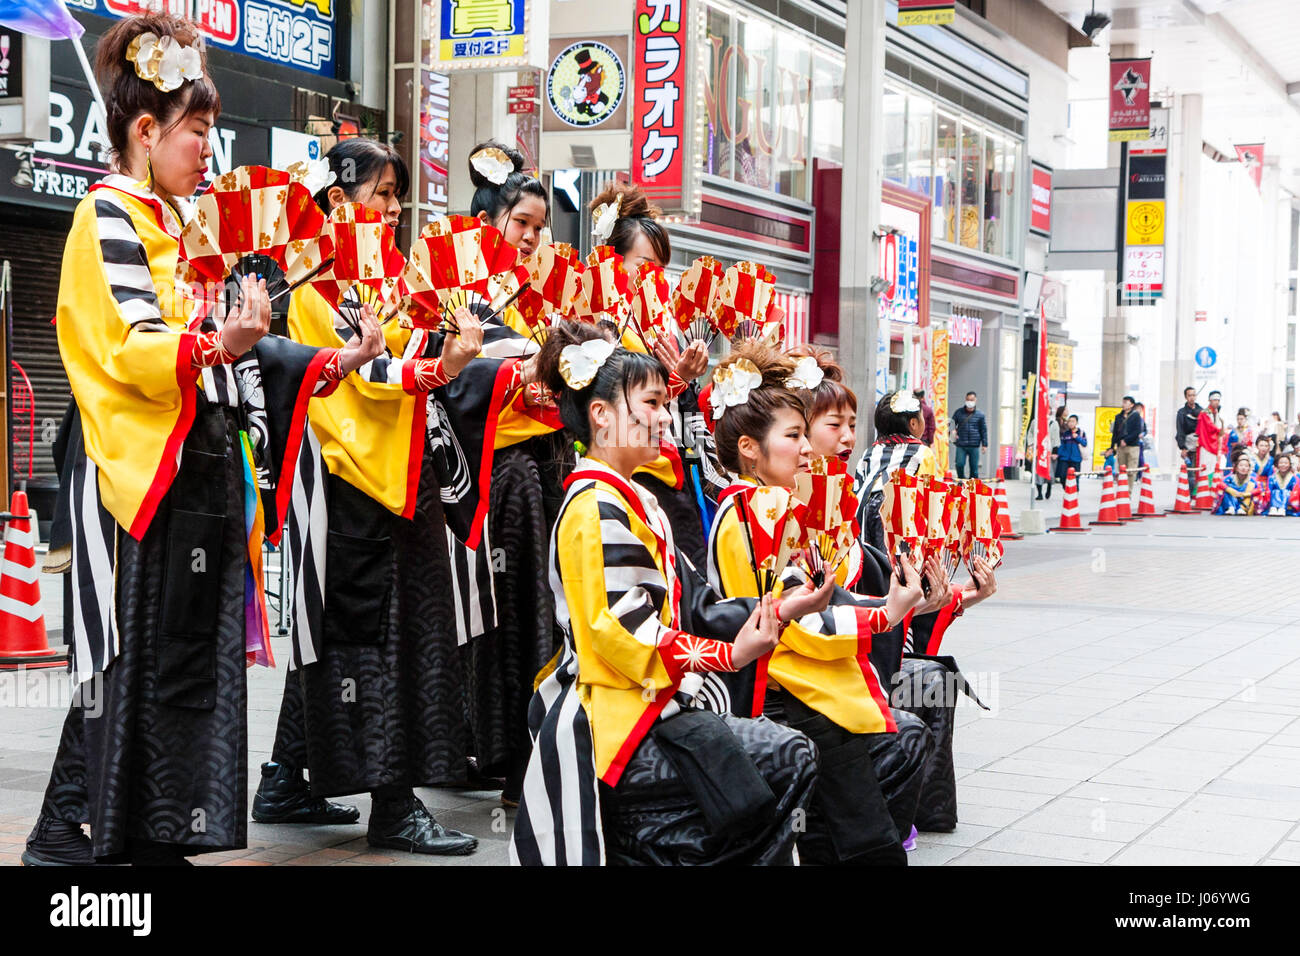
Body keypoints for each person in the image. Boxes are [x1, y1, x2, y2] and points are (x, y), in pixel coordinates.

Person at [23, 12, 385, 866]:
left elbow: (238, 354)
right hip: (142, 484)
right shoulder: (109, 216)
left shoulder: (177, 229)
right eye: (198, 130)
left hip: (192, 478)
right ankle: (85, 834)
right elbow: (133, 346)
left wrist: (333, 359)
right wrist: (215, 344)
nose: (206, 151)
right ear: (146, 132)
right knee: (139, 664)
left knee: (171, 666)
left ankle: (126, 830)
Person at [511, 321, 826, 865]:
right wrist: (732, 655)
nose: (664, 416)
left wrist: (781, 607)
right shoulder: (596, 507)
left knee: (782, 759)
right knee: (789, 754)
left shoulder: (633, 500)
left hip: (654, 703)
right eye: (652, 402)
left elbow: (695, 603)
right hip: (614, 720)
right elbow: (623, 635)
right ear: (601, 414)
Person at [270, 137, 506, 854]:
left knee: (347, 639)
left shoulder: (388, 274)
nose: (395, 207)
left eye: (399, 194)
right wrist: (450, 363)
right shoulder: (313, 281)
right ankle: (396, 806)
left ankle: (284, 776)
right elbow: (365, 374)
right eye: (383, 193)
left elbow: (407, 356)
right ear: (338, 199)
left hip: (394, 477)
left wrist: (462, 347)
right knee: (388, 645)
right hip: (358, 486)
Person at [704, 341, 935, 862]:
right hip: (797, 694)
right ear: (748, 447)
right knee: (864, 841)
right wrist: (889, 612)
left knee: (848, 837)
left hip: (802, 688)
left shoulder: (758, 504)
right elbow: (805, 618)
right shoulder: (764, 508)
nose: (807, 447)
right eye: (794, 435)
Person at [787, 345, 999, 835]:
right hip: (811, 673)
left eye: (850, 425)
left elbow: (888, 600)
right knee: (922, 689)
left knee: (933, 680)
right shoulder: (775, 510)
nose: (844, 439)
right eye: (826, 426)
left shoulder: (849, 495)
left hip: (855, 650)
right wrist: (895, 612)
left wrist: (953, 597)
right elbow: (824, 614)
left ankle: (921, 814)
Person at [587, 180, 714, 564]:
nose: (654, 278)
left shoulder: (659, 325)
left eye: (661, 269)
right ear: (612, 260)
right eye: (644, 267)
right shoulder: (597, 322)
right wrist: (677, 379)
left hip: (667, 469)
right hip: (626, 471)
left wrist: (685, 377)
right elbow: (616, 396)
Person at [1109, 395, 1142, 496]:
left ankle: (1128, 493)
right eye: (1123, 402)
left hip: (1133, 446)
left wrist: (1126, 440)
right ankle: (1122, 491)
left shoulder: (1136, 416)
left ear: (1132, 405)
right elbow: (1115, 433)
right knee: (1122, 470)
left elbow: (1137, 431)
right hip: (1121, 447)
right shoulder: (1118, 417)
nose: (1123, 404)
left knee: (1131, 471)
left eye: (1126, 402)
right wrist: (1112, 446)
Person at [950, 391, 986, 479]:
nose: (970, 402)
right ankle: (961, 481)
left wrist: (985, 444)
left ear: (975, 400)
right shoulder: (959, 412)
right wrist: (952, 432)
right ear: (965, 400)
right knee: (959, 464)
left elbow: (983, 430)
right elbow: (951, 424)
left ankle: (973, 486)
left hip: (974, 445)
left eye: (972, 400)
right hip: (961, 444)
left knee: (974, 468)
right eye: (968, 399)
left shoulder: (980, 415)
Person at [1175, 386, 1202, 495]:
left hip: (1201, 446)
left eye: (1194, 395)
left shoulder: (1202, 411)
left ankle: (1199, 496)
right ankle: (1191, 495)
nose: (1192, 397)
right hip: (1189, 446)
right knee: (1191, 473)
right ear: (1186, 397)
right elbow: (1180, 430)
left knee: (1201, 472)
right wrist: (1183, 447)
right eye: (1189, 395)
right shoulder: (1182, 413)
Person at [1196, 391, 1227, 485]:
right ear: (1210, 400)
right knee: (1205, 466)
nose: (1216, 402)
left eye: (1218, 400)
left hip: (1215, 445)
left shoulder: (1216, 413)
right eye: (1214, 400)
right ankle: (1203, 489)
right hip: (1206, 444)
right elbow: (1210, 427)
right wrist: (1220, 429)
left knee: (1213, 467)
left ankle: (1212, 487)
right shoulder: (1204, 413)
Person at [1266, 452, 1298, 516]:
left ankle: (1282, 508)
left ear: (1289, 464)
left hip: (1289, 503)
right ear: (1277, 464)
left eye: (1286, 463)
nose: (1283, 465)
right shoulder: (1272, 477)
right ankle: (1274, 508)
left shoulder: (1294, 477)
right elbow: (1268, 490)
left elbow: (1296, 492)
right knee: (1275, 491)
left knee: (1286, 492)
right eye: (1281, 463)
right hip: (1273, 501)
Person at [1057, 414, 1087, 482]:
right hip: (1065, 459)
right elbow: (1062, 445)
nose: (1070, 423)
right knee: (1062, 477)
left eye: (1073, 421)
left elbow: (1084, 443)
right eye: (1069, 421)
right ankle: (1067, 491)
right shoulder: (1065, 433)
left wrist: (1077, 437)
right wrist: (1059, 454)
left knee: (1075, 479)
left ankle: (1076, 492)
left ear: (1077, 423)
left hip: (1076, 459)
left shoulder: (1081, 433)